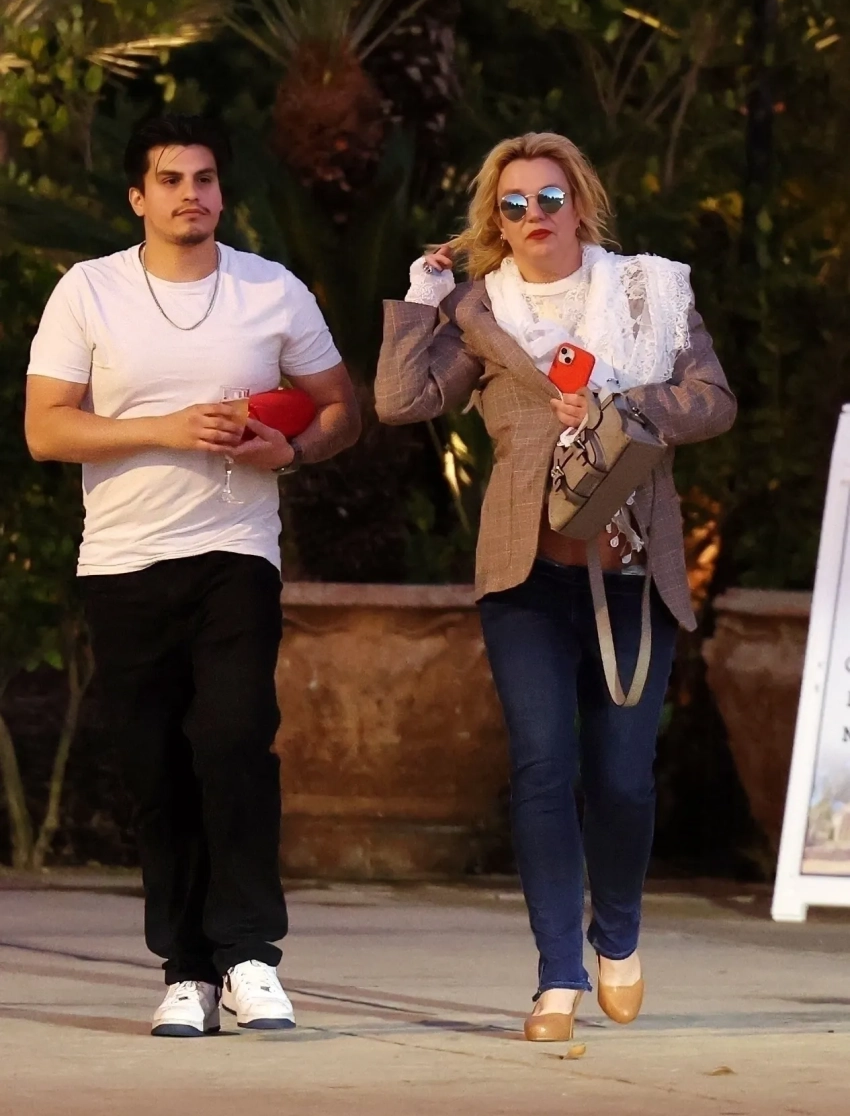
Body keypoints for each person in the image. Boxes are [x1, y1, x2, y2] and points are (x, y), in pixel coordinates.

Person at [375, 132, 736, 1044]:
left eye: (548, 198)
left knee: (623, 779)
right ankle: (557, 976)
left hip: (631, 570)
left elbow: (714, 399)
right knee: (542, 768)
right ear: (495, 221)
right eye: (513, 204)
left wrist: (626, 402)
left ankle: (618, 934)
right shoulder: (479, 310)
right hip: (525, 576)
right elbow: (402, 401)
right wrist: (420, 301)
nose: (533, 215)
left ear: (579, 204)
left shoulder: (650, 293)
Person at [25, 115, 360, 1038]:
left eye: (205, 179)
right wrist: (167, 428)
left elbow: (341, 408)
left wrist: (291, 449)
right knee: (156, 765)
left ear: (222, 192)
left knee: (236, 738)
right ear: (139, 196)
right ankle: (186, 972)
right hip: (123, 559)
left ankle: (250, 956)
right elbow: (46, 428)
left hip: (236, 551)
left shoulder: (271, 289)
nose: (191, 195)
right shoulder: (89, 290)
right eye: (171, 180)